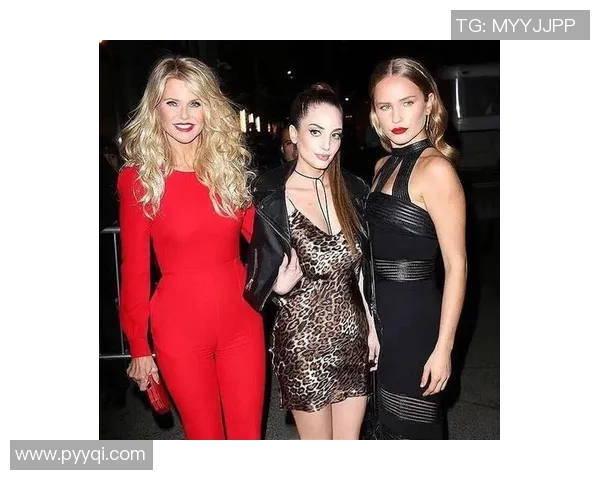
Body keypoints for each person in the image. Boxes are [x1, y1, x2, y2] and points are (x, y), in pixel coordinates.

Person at [117, 55, 264, 440]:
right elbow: (134, 269)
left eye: (195, 102)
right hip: (178, 329)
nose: (184, 114)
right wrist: (138, 345)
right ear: (156, 109)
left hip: (242, 322)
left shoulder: (227, 170)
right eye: (172, 102)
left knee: (248, 438)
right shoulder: (139, 179)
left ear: (208, 109)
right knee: (205, 438)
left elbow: (267, 241)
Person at [243, 83, 379, 440]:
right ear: (293, 133)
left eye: (335, 134)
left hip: (352, 337)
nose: (326, 145)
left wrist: (371, 325)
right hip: (304, 344)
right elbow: (254, 273)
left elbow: (359, 272)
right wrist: (276, 288)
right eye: (315, 132)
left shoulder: (353, 190)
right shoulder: (271, 197)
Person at [365, 57, 467, 439]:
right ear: (375, 113)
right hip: (382, 321)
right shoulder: (381, 166)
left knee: (414, 431)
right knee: (383, 426)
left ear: (429, 103)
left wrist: (444, 348)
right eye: (385, 106)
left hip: (417, 323)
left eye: (407, 102)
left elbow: (456, 265)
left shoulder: (436, 170)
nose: (396, 117)